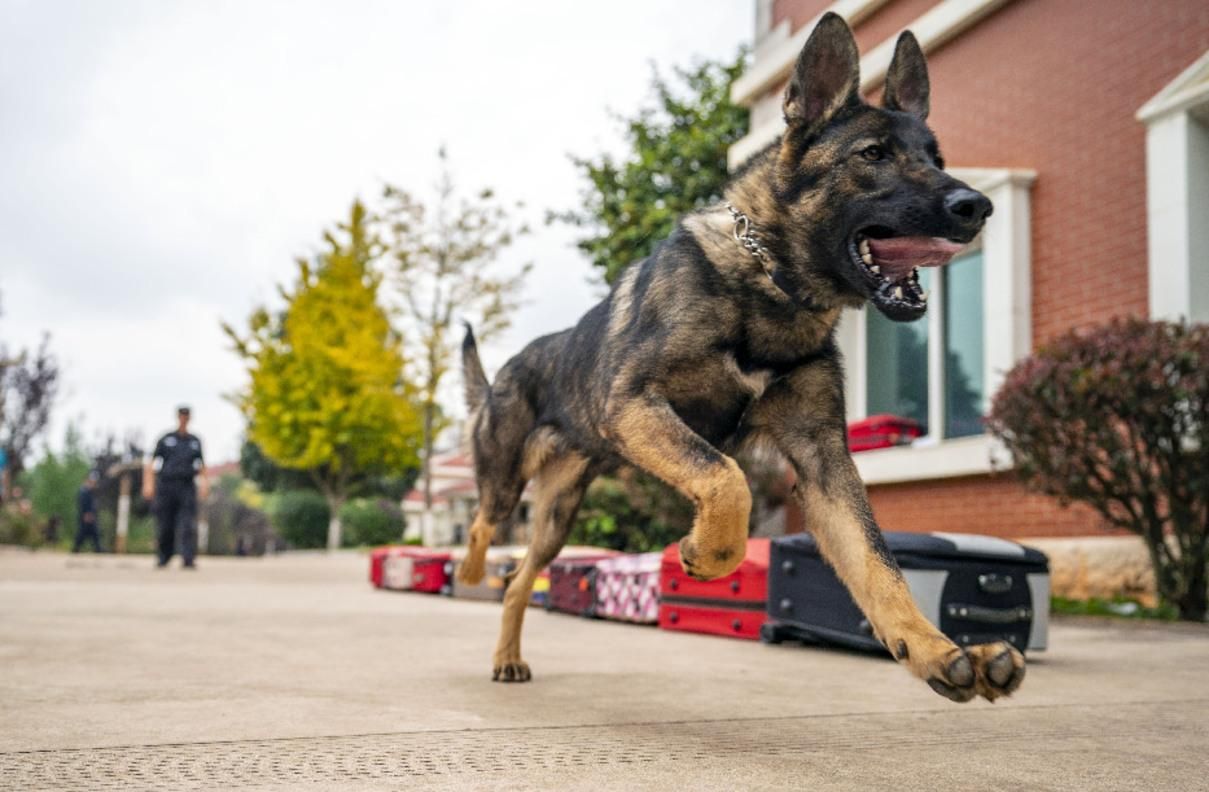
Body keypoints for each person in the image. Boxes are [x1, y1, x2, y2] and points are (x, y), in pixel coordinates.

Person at [143, 406, 208, 568]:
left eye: (186, 416)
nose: (184, 419)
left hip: (187, 486)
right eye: (182, 416)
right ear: (178, 417)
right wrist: (148, 484)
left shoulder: (195, 441)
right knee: (165, 523)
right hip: (166, 485)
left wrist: (204, 485)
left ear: (190, 418)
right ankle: (164, 557)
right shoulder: (166, 438)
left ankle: (188, 558)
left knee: (188, 524)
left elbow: (202, 465)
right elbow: (152, 462)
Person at [71, 472, 102, 553]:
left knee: (94, 533)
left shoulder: (89, 491)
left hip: (89, 515)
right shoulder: (84, 491)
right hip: (86, 516)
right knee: (83, 532)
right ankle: (76, 548)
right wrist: (87, 514)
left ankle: (98, 548)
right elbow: (83, 504)